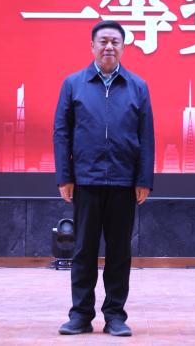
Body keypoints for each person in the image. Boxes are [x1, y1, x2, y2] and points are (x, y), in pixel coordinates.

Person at [53, 20, 155, 337]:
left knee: (119, 253)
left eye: (115, 42)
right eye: (103, 41)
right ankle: (80, 315)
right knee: (83, 250)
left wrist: (144, 179)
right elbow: (62, 133)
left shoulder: (137, 86)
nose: (109, 46)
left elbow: (146, 136)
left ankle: (115, 315)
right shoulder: (74, 84)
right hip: (86, 180)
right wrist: (65, 176)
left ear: (123, 47)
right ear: (92, 46)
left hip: (124, 182)